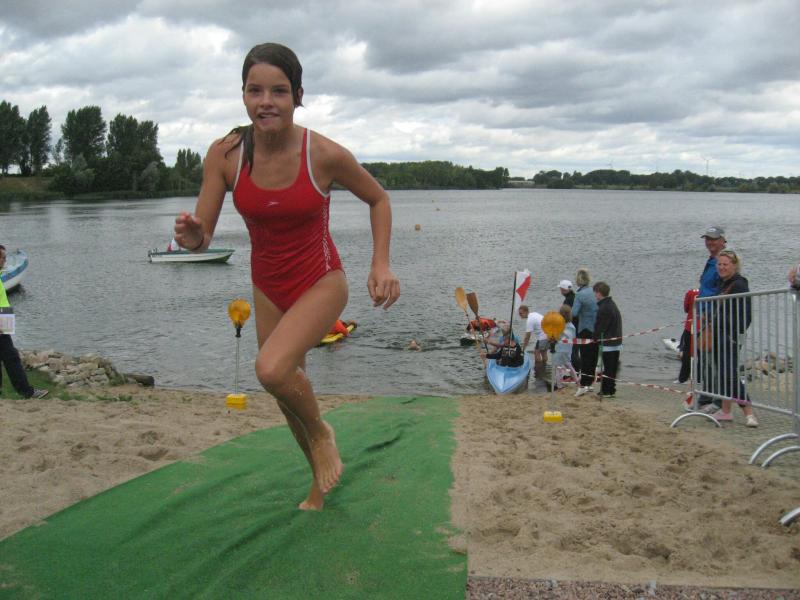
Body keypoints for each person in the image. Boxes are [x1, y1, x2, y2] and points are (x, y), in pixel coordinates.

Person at [173, 43, 400, 511]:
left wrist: (380, 263)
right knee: (287, 392)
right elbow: (202, 236)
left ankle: (322, 433)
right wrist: (193, 237)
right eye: (254, 91)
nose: (266, 102)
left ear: (298, 96)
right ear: (243, 95)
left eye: (278, 91)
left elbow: (379, 198)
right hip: (268, 287)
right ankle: (318, 485)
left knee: (271, 369)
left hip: (321, 280)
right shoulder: (225, 154)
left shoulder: (324, 154)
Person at [709, 250, 757, 427]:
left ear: (734, 266)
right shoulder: (723, 283)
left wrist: (734, 332)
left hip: (730, 336)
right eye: (719, 264)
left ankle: (749, 413)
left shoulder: (739, 284)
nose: (721, 267)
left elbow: (746, 314)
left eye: (725, 264)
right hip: (719, 333)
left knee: (730, 374)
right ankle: (726, 410)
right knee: (722, 373)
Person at [0, 245, 48, 400]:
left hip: (4, 315)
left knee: (9, 356)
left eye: (5, 257)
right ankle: (27, 392)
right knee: (11, 357)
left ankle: (23, 392)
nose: (5, 261)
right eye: (2, 257)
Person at [695, 226, 727, 409]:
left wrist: (712, 315)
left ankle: (718, 400)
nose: (710, 242)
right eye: (708, 239)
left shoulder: (723, 262)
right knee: (706, 358)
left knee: (715, 359)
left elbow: (724, 289)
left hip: (714, 318)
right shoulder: (711, 261)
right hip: (704, 315)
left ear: (723, 241)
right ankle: (706, 396)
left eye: (714, 239)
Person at [571, 268, 598, 396]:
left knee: (585, 356)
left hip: (585, 328)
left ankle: (583, 385)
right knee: (593, 356)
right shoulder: (594, 291)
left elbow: (574, 313)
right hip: (596, 328)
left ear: (578, 280)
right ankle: (590, 383)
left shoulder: (579, 294)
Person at [593, 281, 622, 398]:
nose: (595, 295)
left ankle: (606, 391)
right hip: (616, 340)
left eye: (595, 293)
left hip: (609, 342)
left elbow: (601, 327)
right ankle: (611, 389)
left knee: (608, 368)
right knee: (612, 367)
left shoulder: (604, 307)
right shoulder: (611, 304)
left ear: (599, 293)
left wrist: (594, 338)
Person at [552, 304, 579, 389]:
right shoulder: (572, 326)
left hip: (559, 349)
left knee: (558, 367)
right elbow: (573, 337)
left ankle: (559, 385)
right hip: (568, 349)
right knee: (568, 365)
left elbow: (556, 337)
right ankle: (577, 381)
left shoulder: (559, 326)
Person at [676, 288, 699, 385]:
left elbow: (686, 308)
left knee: (686, 353)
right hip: (705, 327)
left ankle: (683, 378)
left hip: (691, 327)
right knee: (702, 355)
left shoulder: (690, 292)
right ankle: (699, 378)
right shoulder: (713, 291)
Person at [558, 279, 580, 374]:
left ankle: (576, 372)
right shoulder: (575, 297)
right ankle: (577, 372)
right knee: (575, 350)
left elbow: (565, 316)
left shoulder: (567, 300)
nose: (560, 290)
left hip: (571, 328)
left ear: (563, 289)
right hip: (578, 327)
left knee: (572, 352)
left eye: (560, 288)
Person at [518, 305, 548, 370]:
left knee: (536, 352)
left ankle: (538, 370)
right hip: (549, 334)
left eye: (521, 313)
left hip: (543, 336)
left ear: (526, 311)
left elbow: (527, 337)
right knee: (543, 352)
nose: (520, 315)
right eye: (519, 314)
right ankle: (545, 367)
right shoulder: (534, 314)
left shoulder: (530, 320)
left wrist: (523, 348)